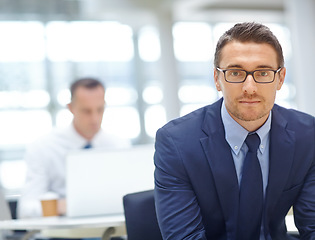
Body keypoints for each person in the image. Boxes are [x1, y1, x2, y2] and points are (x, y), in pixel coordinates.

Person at [154, 22, 315, 240]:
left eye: (264, 72)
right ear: (217, 79)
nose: (250, 88)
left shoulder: (308, 136)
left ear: (280, 78)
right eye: (236, 72)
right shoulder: (177, 143)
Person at [18, 77, 131, 218]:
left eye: (100, 109)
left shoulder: (119, 146)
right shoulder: (43, 147)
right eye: (86, 111)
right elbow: (26, 210)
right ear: (70, 108)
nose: (95, 119)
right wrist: (59, 206)